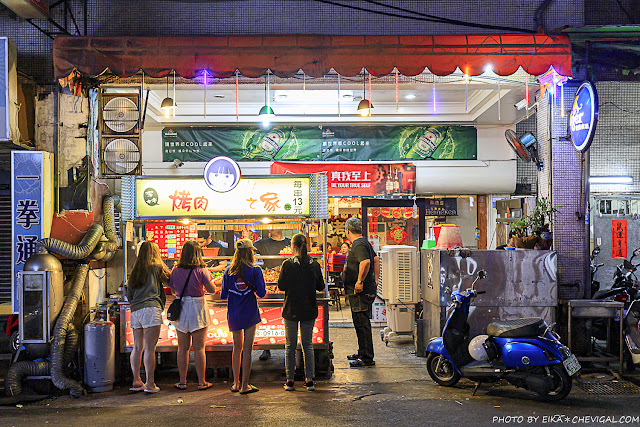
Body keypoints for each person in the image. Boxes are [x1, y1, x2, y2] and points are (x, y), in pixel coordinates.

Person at [277, 234, 325, 391]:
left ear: (293, 246)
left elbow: (281, 286)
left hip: (291, 309)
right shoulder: (314, 264)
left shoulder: (287, 264)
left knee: (290, 345)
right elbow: (321, 287)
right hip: (309, 308)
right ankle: (309, 380)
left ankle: (290, 380)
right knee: (307, 345)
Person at [169, 240, 218, 391]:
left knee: (182, 348)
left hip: (182, 308)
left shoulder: (175, 271)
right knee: (199, 348)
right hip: (197, 308)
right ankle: (201, 382)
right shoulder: (202, 270)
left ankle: (182, 382)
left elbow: (172, 290)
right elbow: (212, 290)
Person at [221, 239, 267, 394]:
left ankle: (235, 383)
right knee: (247, 349)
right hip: (250, 312)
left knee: (237, 348)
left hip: (234, 312)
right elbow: (261, 293)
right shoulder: (255, 270)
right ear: (250, 252)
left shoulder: (228, 271)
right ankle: (245, 385)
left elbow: (223, 294)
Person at [127, 241, 171, 393]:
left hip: (135, 311)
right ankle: (150, 384)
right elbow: (169, 281)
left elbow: (129, 294)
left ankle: (136, 381)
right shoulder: (157, 266)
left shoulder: (135, 269)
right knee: (150, 348)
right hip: (151, 308)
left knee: (137, 347)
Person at [343, 217, 379, 367]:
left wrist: (360, 281)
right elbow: (376, 260)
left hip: (360, 292)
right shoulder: (364, 242)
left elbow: (366, 262)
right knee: (360, 322)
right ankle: (362, 352)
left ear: (347, 231)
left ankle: (367, 358)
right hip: (364, 289)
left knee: (362, 323)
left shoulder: (358, 244)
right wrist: (375, 281)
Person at [253, 229, 290, 360]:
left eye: (273, 226)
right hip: (269, 280)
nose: (270, 229)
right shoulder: (262, 243)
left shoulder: (289, 243)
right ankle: (265, 347)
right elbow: (250, 251)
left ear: (280, 227)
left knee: (286, 317)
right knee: (267, 314)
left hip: (286, 282)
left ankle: (289, 346)